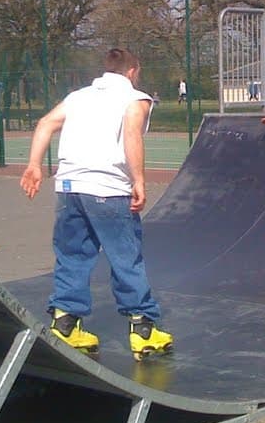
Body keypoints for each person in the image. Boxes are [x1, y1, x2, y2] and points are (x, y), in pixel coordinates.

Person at [20, 48, 173, 361]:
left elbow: (46, 123)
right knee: (125, 255)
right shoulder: (135, 98)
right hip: (108, 188)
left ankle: (66, 323)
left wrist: (35, 164)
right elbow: (132, 135)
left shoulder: (78, 97)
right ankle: (143, 329)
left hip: (69, 187)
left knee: (73, 253)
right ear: (133, 71)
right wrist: (139, 180)